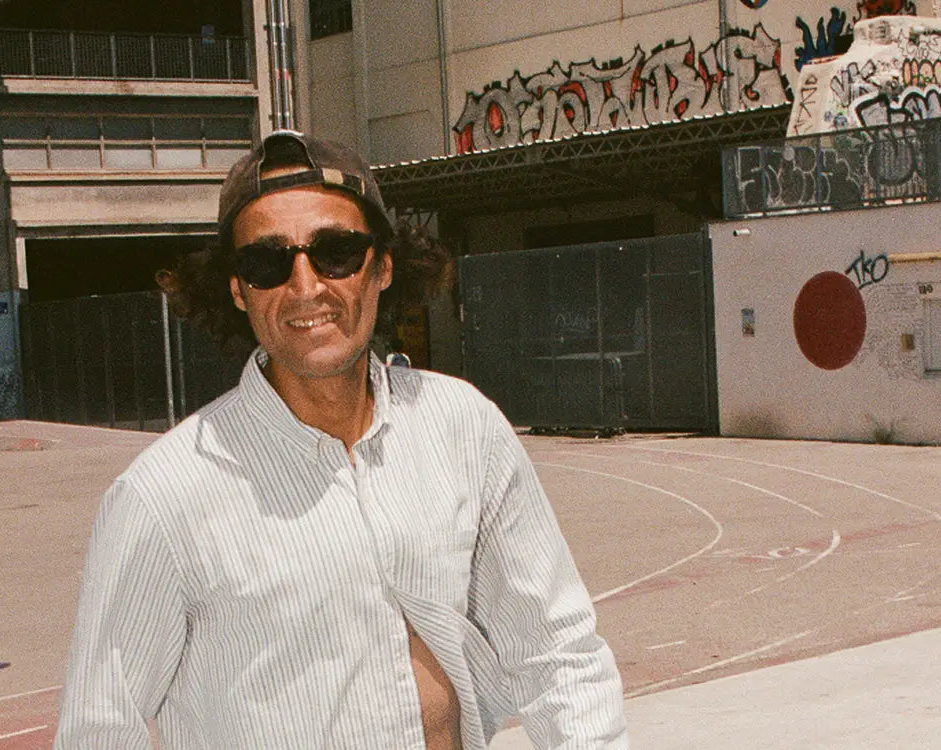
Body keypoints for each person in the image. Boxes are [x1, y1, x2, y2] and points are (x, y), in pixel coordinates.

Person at [56, 130, 628, 749]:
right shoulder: (162, 495)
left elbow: (557, 650)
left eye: (336, 252)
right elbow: (99, 730)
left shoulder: (462, 427)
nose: (306, 287)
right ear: (238, 289)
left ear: (382, 265)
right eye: (268, 262)